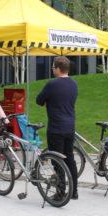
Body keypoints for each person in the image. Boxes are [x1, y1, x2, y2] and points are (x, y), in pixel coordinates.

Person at [36, 56, 78, 200]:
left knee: (57, 160)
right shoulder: (74, 84)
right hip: (70, 126)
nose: (52, 69)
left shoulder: (52, 84)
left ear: (59, 69)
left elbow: (39, 100)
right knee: (70, 158)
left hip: (56, 128)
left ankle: (60, 193)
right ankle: (74, 192)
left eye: (53, 67)